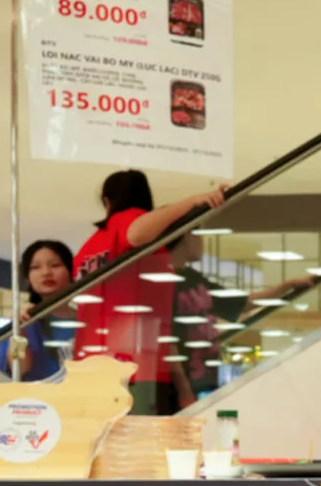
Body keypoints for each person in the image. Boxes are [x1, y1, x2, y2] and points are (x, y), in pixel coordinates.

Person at [71, 169, 224, 414]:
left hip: (90, 366)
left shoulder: (89, 248)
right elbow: (136, 233)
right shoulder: (128, 223)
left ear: (107, 201)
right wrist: (194, 201)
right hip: (133, 368)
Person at [0, 240, 76, 382]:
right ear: (28, 278)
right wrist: (20, 329)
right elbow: (19, 369)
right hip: (42, 395)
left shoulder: (90, 318)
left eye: (55, 265)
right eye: (35, 267)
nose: (46, 272)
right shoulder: (27, 321)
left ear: (71, 272)